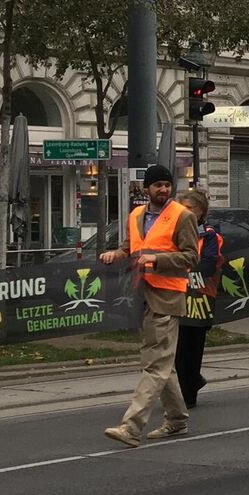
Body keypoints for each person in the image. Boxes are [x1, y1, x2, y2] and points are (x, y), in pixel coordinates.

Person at [100, 164, 197, 447]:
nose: (164, 190)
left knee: (154, 365)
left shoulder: (182, 216)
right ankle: (178, 419)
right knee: (162, 363)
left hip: (167, 297)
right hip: (142, 295)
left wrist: (157, 260)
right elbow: (131, 248)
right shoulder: (136, 215)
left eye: (167, 185)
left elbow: (191, 257)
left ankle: (131, 427)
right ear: (147, 188)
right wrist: (115, 254)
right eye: (158, 185)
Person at [174, 189, 220, 409]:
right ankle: (188, 387)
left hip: (200, 300)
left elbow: (210, 263)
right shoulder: (174, 232)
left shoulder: (209, 235)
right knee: (179, 348)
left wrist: (183, 267)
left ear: (201, 212)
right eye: (182, 208)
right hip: (178, 297)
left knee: (193, 348)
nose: (185, 213)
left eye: (190, 209)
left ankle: (190, 390)